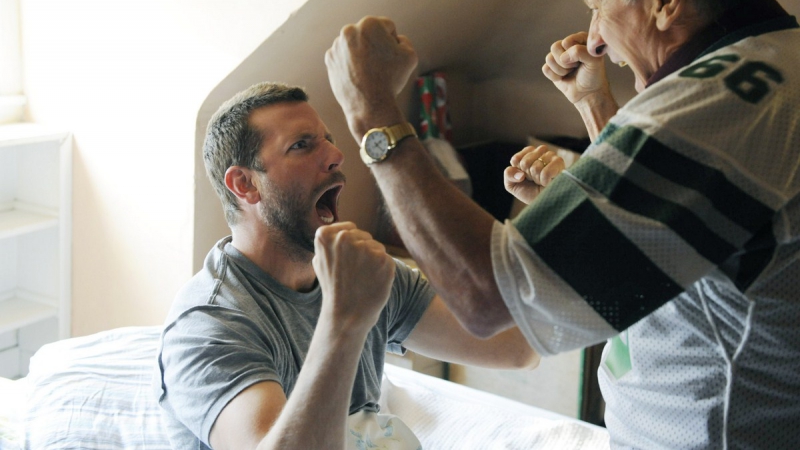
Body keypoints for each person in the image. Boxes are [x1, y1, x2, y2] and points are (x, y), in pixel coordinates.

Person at [324, 0, 800, 447]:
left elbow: (490, 300)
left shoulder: (706, 110)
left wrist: (373, 115)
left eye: (598, 2)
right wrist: (597, 109)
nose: (595, 38)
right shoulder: (776, 63)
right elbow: (668, 225)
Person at [154, 82, 542, 450]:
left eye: (329, 140)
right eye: (301, 145)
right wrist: (346, 317)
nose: (336, 156)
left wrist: (548, 214)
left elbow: (519, 348)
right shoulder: (209, 324)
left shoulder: (367, 274)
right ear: (245, 184)